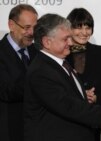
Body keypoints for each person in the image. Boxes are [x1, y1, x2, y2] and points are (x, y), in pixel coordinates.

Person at [23, 13, 101, 141]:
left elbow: (70, 100)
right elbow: (68, 106)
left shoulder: (61, 64)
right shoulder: (41, 71)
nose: (70, 42)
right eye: (65, 39)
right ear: (47, 42)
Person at [65, 7, 101, 141]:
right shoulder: (62, 54)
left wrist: (95, 98)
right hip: (69, 125)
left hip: (99, 127)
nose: (84, 32)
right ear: (69, 29)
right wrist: (81, 94)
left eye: (88, 27)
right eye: (78, 27)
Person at [0, 4, 38, 141]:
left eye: (35, 27)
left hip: (36, 131)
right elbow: (5, 91)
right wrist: (38, 82)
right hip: (9, 131)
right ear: (11, 25)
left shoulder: (38, 52)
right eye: (27, 27)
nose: (32, 33)